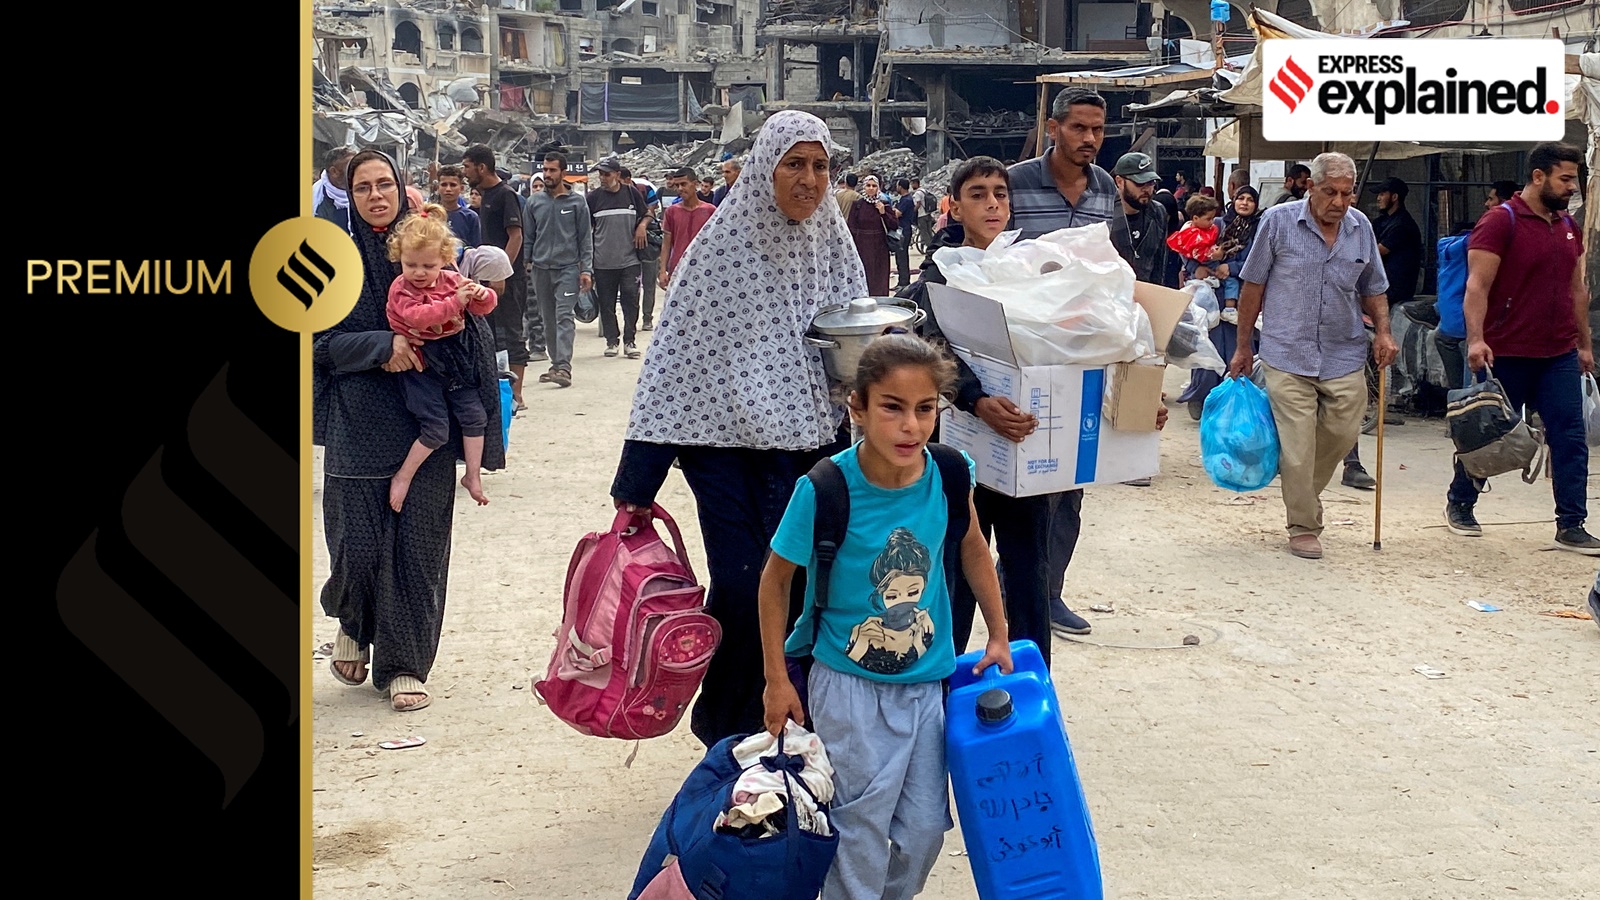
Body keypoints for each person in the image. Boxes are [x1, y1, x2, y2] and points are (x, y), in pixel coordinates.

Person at [610, 110, 864, 746]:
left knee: (807, 587)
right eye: (794, 164)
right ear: (763, 171)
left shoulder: (834, 248)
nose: (809, 179)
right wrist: (637, 482)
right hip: (723, 447)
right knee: (743, 583)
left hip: (810, 448)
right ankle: (727, 729)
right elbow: (673, 364)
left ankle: (793, 721)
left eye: (820, 166)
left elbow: (859, 348)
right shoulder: (719, 251)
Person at [758, 334, 1014, 900]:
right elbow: (774, 581)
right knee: (859, 828)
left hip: (926, 688)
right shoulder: (825, 488)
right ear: (858, 406)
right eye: (892, 408)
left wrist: (999, 632)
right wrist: (777, 680)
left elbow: (973, 547)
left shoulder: (950, 474)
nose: (910, 426)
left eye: (925, 409)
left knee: (924, 831)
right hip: (847, 688)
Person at [314, 149, 505, 713]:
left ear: (401, 188)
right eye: (363, 187)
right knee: (356, 543)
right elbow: (317, 342)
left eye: (384, 184)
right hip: (358, 417)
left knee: (418, 549)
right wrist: (384, 344)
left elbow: (473, 320)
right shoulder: (330, 258)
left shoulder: (432, 248)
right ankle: (354, 623)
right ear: (349, 195)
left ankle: (404, 664)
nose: (376, 195)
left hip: (428, 416)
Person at [1227, 152, 1398, 560]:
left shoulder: (1360, 227)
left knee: (1342, 432)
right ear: (1310, 187)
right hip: (1287, 352)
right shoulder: (1278, 222)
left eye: (1346, 193)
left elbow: (1374, 287)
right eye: (1329, 192)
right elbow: (1253, 286)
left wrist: (1384, 332)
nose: (1339, 202)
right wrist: (1243, 345)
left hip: (1344, 353)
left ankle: (1299, 485)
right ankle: (1304, 524)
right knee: (1298, 447)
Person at [1006, 87, 1119, 637]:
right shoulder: (1015, 182)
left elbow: (1117, 264)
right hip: (1023, 351)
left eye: (1097, 129)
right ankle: (1006, 584)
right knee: (1015, 481)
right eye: (1079, 128)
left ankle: (1048, 592)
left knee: (1071, 479)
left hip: (1082, 352)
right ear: (1053, 129)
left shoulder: (1105, 188)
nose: (1090, 139)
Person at [1445, 142, 1596, 554]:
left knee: (1570, 437)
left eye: (1574, 179)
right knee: (1488, 435)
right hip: (1505, 352)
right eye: (1565, 179)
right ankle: (1460, 502)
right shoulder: (1500, 221)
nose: (1572, 187)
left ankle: (1571, 524)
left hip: (1558, 354)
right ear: (1538, 176)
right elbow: (1477, 286)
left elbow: (1576, 290)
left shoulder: (1567, 225)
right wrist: (1476, 339)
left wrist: (1583, 344)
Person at [383, 202, 498, 511]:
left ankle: (472, 475)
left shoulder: (451, 280)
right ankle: (404, 476)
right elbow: (419, 317)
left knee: (475, 417)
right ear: (399, 258)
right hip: (420, 361)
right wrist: (455, 303)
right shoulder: (400, 288)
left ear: (445, 260)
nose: (419, 273)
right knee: (435, 428)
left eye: (428, 266)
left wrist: (481, 294)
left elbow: (484, 307)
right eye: (411, 265)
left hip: (455, 358)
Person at [1178, 185, 1263, 417]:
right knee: (1208, 345)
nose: (1244, 203)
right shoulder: (1216, 223)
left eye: (1250, 200)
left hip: (1242, 298)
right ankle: (1200, 397)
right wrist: (1195, 267)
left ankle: (1232, 402)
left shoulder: (1259, 230)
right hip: (1211, 296)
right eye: (1240, 198)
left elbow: (1259, 261)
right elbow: (1187, 246)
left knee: (1238, 348)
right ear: (1232, 200)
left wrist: (1231, 267)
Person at [462, 145, 535, 407]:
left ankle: (517, 395)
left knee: (513, 333)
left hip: (508, 281)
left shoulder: (506, 195)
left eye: (467, 166)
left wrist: (502, 273)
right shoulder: (484, 197)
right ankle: (496, 391)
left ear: (481, 167)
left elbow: (516, 236)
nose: (465, 172)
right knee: (488, 335)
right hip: (485, 282)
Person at [524, 151, 593, 389]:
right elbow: (529, 236)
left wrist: (586, 270)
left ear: (564, 172)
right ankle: (556, 365)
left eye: (552, 170)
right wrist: (526, 263)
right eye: (545, 170)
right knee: (548, 318)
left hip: (568, 269)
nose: (547, 174)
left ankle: (564, 366)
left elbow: (585, 239)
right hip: (540, 269)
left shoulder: (577, 203)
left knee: (564, 315)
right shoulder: (534, 202)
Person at [587, 157, 649, 359]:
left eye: (607, 174)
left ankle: (630, 340)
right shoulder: (593, 198)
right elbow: (585, 229)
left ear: (617, 175)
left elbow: (647, 214)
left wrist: (642, 226)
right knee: (606, 304)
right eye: (600, 174)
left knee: (631, 300)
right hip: (603, 262)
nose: (603, 178)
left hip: (630, 260)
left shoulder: (631, 193)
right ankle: (611, 340)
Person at [1108, 152, 1170, 287]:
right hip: (1110, 292)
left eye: (1151, 183)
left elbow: (1160, 264)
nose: (1147, 189)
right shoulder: (1104, 213)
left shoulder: (1158, 212)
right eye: (1139, 183)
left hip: (1145, 293)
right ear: (1119, 182)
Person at [657, 166, 716, 291]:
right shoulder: (671, 212)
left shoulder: (710, 211)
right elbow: (666, 243)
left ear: (695, 184)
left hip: (704, 268)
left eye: (684, 184)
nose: (680, 189)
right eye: (677, 185)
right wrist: (662, 271)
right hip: (678, 268)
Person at [1371, 177, 1422, 308]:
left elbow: (1377, 251)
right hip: (1381, 284)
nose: (1378, 198)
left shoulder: (1402, 224)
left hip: (1395, 289)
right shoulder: (1382, 221)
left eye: (1382, 194)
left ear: (1394, 197)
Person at [847, 175, 900, 296]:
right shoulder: (857, 205)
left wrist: (883, 213)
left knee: (879, 277)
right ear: (864, 187)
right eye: (868, 185)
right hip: (862, 247)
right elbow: (851, 228)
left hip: (880, 248)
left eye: (874, 186)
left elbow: (894, 225)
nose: (871, 188)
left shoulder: (884, 204)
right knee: (864, 276)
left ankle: (880, 302)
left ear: (878, 188)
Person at [1169, 194, 1222, 284]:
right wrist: (1213, 255)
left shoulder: (1208, 228)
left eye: (1212, 218)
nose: (1212, 222)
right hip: (1196, 269)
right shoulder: (1189, 234)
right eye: (1208, 219)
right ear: (1195, 218)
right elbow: (1188, 253)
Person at [435, 165, 481, 249]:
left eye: (453, 185)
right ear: (438, 188)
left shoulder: (470, 217)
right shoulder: (430, 214)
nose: (448, 189)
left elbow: (476, 248)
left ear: (461, 188)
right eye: (444, 185)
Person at [314, 147, 355, 232]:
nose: (357, 171)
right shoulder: (316, 200)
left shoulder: (366, 192)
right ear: (334, 172)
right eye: (350, 167)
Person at [892, 178, 917, 288]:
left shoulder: (906, 200)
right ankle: (902, 281)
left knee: (902, 257)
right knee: (900, 257)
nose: (896, 188)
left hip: (904, 231)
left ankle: (903, 282)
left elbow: (897, 214)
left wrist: (890, 210)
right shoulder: (905, 199)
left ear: (901, 187)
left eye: (897, 186)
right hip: (904, 230)